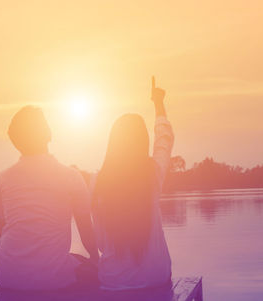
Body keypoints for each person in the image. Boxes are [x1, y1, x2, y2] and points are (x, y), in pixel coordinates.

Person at [0, 106, 99, 291]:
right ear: (48, 134)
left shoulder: (5, 177)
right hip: (52, 278)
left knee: (74, 259)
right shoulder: (71, 176)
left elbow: (2, 230)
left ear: (15, 141)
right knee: (84, 263)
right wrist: (98, 264)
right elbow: (86, 231)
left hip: (6, 275)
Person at [91, 76, 174, 290]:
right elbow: (164, 140)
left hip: (113, 280)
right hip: (155, 276)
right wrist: (158, 103)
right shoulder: (151, 175)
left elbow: (100, 242)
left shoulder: (98, 183)